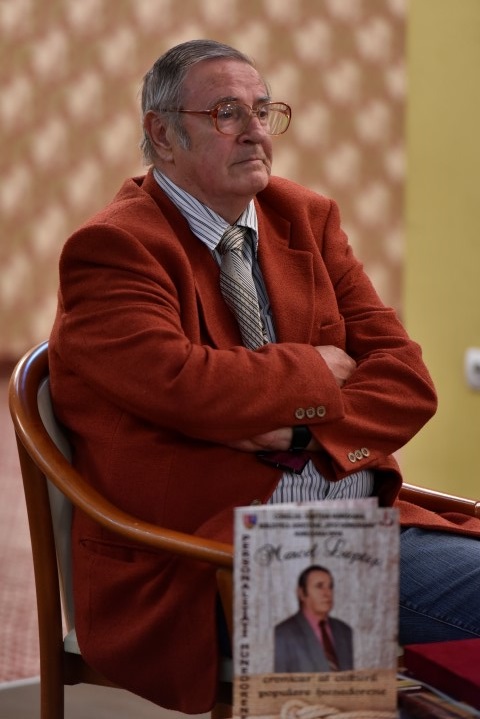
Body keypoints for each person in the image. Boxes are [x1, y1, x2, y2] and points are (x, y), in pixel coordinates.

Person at [48, 39, 480, 714]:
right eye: (227, 112)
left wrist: (298, 428)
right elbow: (187, 385)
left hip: (362, 518)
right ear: (162, 135)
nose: (255, 131)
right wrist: (317, 371)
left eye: (264, 109)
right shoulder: (113, 249)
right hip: (211, 558)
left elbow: (407, 380)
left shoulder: (305, 216)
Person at [274, 565, 354, 673]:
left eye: (330, 587)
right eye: (319, 586)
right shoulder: (283, 634)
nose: (327, 593)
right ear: (301, 593)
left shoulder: (345, 631)